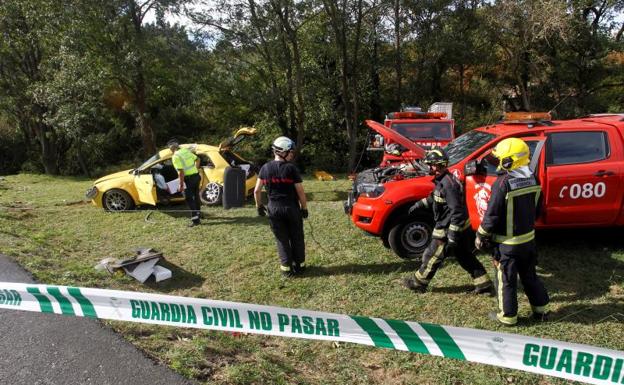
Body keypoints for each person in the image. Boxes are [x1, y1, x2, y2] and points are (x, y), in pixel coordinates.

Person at [475, 137, 549, 326]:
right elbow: (539, 210)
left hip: (507, 245)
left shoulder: (502, 183)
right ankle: (541, 310)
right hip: (529, 242)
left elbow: (491, 215)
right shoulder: (533, 177)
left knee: (506, 280)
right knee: (530, 276)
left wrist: (481, 235)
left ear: (509, 161)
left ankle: (507, 317)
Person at [403, 147, 492, 294]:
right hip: (459, 228)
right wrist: (419, 205)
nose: (430, 167)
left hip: (448, 228)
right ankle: (484, 284)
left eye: (431, 164)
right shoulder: (444, 180)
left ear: (438, 165)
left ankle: (418, 283)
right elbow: (435, 198)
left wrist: (451, 235)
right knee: (465, 256)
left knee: (433, 255)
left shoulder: (448, 184)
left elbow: (457, 212)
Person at [254, 136, 308, 277]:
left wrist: (259, 206)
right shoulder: (291, 169)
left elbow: (257, 190)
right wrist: (304, 208)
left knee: (282, 240)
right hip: (291, 208)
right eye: (290, 152)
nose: (292, 154)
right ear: (282, 152)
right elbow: (300, 192)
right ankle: (300, 267)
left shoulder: (265, 168)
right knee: (297, 237)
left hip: (274, 210)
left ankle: (287, 270)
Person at [168, 139, 202, 227]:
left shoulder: (175, 156)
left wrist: (181, 184)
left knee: (189, 199)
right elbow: (198, 159)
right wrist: (195, 169)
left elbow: (181, 172)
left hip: (188, 179)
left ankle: (196, 220)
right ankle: (198, 214)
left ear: (172, 148)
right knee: (196, 196)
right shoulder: (185, 151)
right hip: (196, 176)